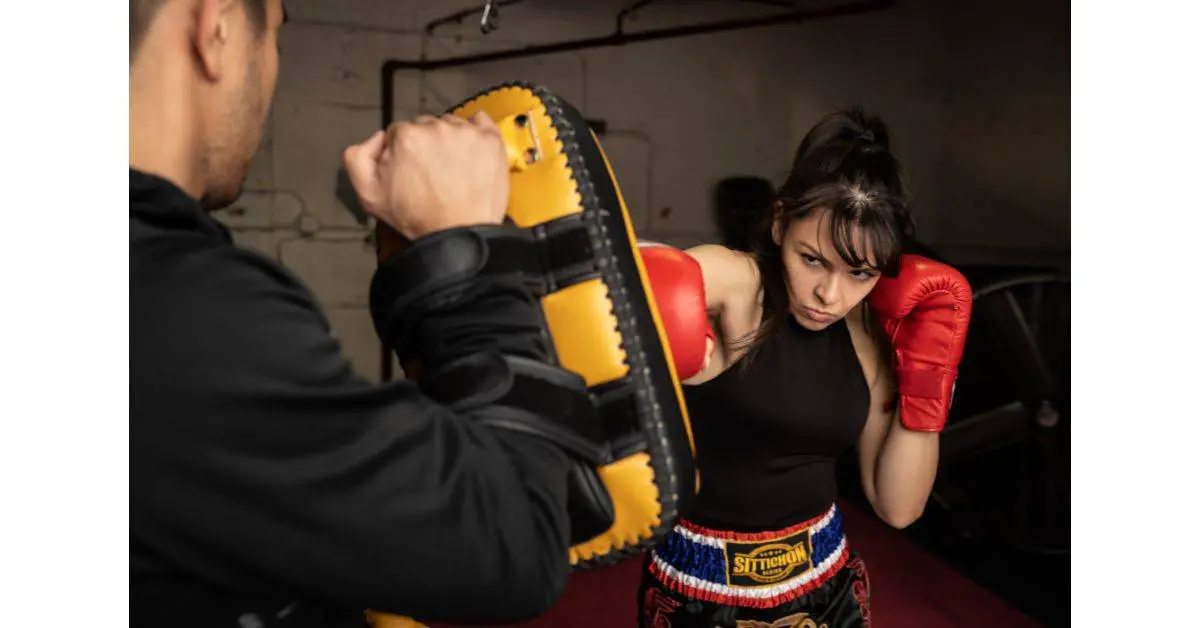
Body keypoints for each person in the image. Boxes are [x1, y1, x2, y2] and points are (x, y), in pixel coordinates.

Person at [130, 1, 648, 626]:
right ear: (215, 27)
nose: (269, 73)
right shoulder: (185, 314)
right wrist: (466, 248)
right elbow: (514, 543)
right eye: (273, 39)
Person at [636, 109, 971, 627]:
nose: (828, 295)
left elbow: (899, 506)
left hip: (829, 592)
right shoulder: (740, 285)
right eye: (812, 259)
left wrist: (927, 382)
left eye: (859, 273)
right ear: (778, 224)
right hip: (701, 599)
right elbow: (650, 275)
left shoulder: (865, 332)